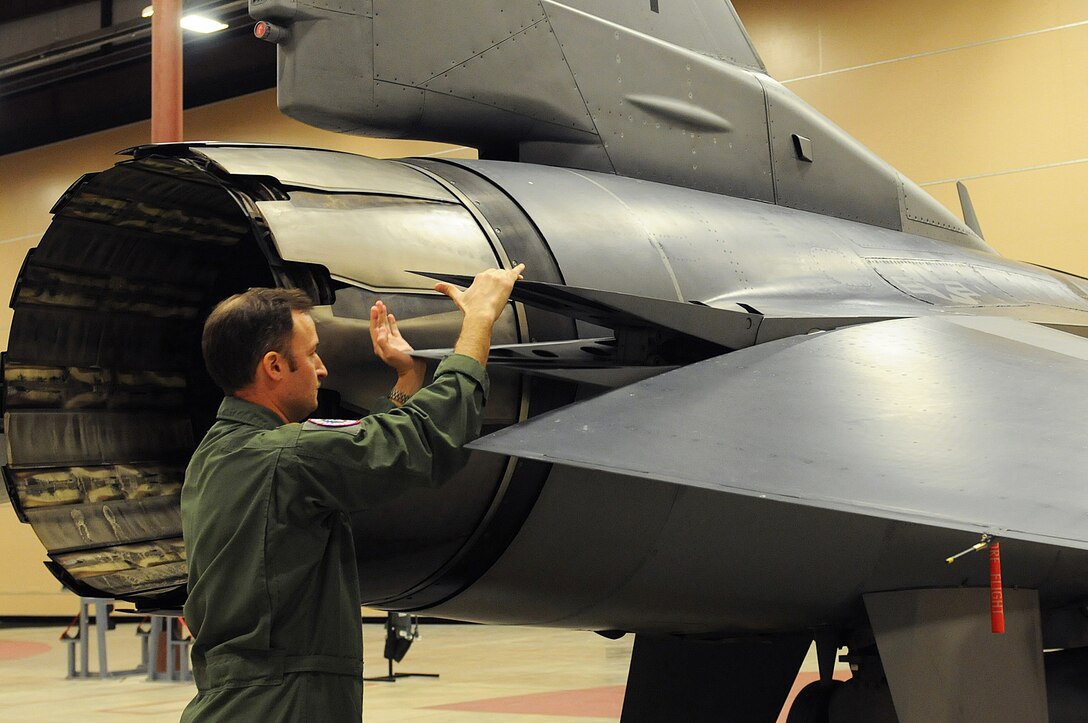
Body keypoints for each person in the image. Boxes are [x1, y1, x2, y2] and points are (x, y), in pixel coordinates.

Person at [179, 264, 525, 722]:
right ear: (275, 366)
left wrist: (406, 382)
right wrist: (479, 321)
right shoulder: (283, 457)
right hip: (281, 706)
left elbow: (348, 454)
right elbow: (423, 442)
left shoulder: (219, 455)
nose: (322, 368)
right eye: (313, 353)